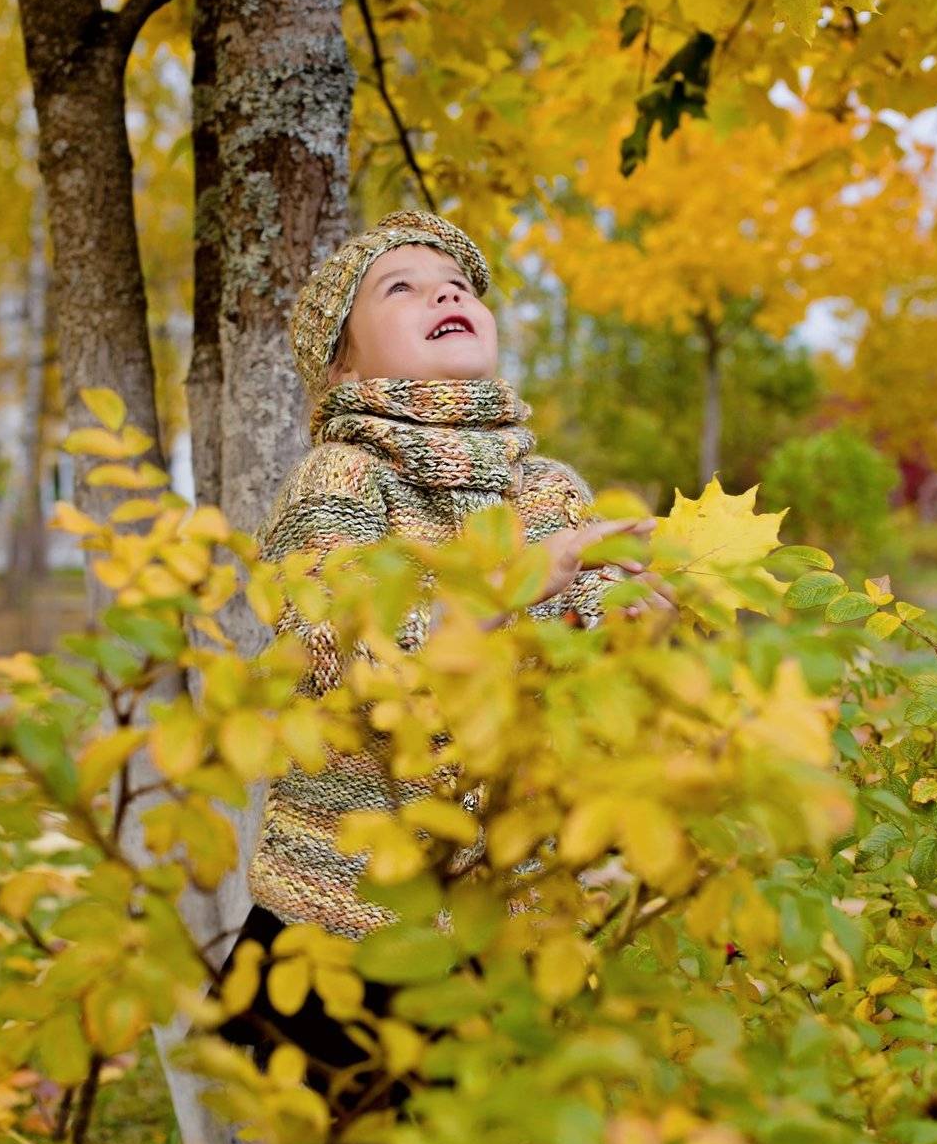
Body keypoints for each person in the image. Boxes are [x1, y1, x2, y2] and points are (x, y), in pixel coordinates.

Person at [217, 209, 672, 1084]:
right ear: (344, 364)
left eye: (459, 284)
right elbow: (341, 653)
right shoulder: (344, 477)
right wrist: (512, 585)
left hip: (512, 905)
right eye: (402, 287)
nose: (444, 293)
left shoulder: (546, 489)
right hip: (353, 913)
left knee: (513, 1142)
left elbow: (593, 672)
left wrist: (637, 632)